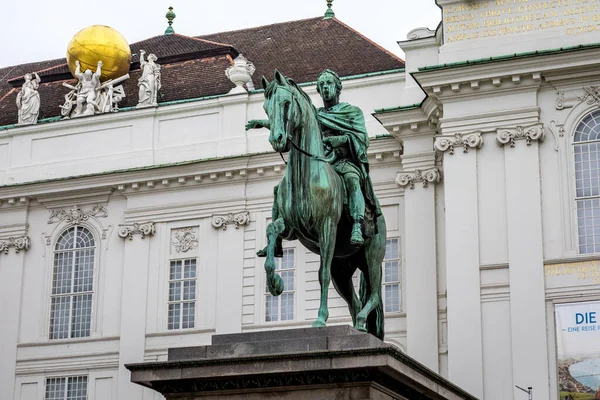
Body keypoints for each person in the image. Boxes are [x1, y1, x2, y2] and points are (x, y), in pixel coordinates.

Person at [247, 69, 379, 246]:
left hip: (342, 161)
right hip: (319, 162)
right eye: (322, 85)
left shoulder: (351, 112)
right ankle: (279, 236)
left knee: (352, 180)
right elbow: (289, 121)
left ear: (338, 88)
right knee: (280, 188)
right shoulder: (315, 114)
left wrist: (339, 140)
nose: (325, 88)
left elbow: (362, 139)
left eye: (329, 84)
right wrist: (264, 123)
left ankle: (357, 224)